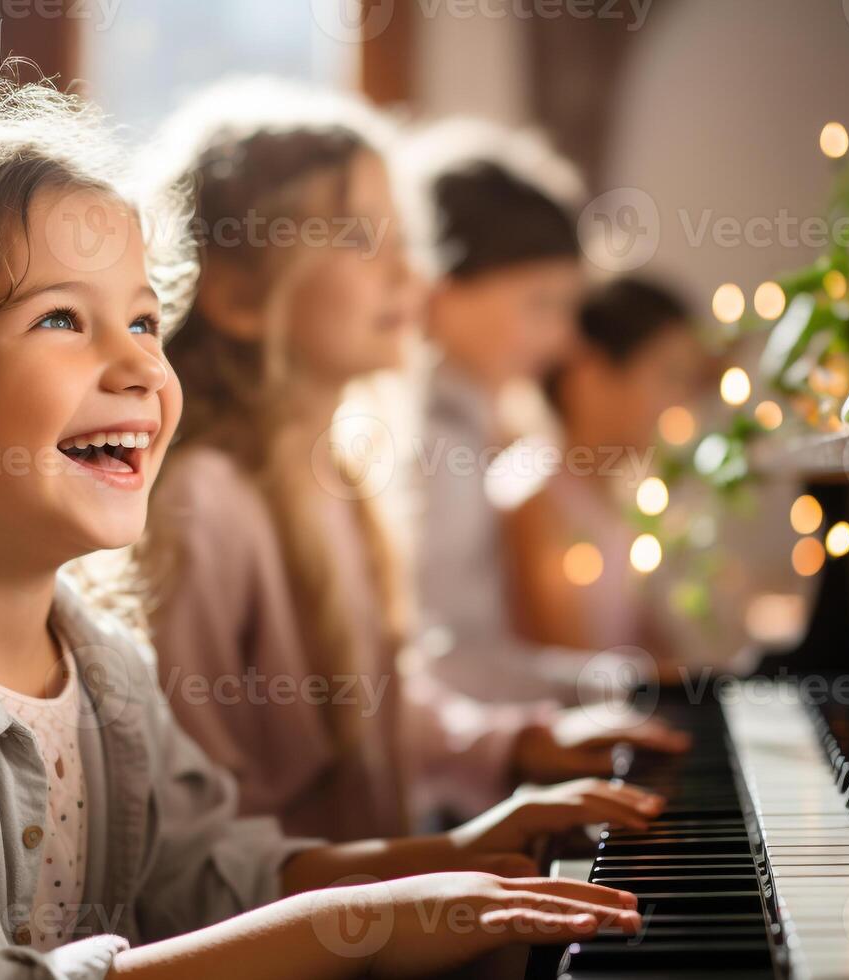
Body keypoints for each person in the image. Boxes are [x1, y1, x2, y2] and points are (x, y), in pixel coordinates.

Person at [0, 81, 662, 980]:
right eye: (61, 319)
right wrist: (351, 925)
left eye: (141, 317)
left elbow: (216, 869)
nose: (141, 361)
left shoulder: (107, 675)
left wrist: (454, 852)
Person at [139, 82, 685, 840]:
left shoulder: (340, 478)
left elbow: (383, 707)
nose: (411, 277)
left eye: (406, 240)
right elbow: (195, 838)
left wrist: (513, 742)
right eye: (360, 238)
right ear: (237, 296)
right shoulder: (205, 503)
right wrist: (446, 862)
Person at [401, 119, 612, 706]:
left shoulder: (471, 427)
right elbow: (442, 665)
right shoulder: (428, 447)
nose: (565, 341)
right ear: (439, 289)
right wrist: (608, 689)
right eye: (539, 303)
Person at [506, 277, 705, 655]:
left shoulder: (621, 498)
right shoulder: (534, 500)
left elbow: (652, 650)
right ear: (590, 376)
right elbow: (573, 669)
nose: (682, 405)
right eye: (669, 376)